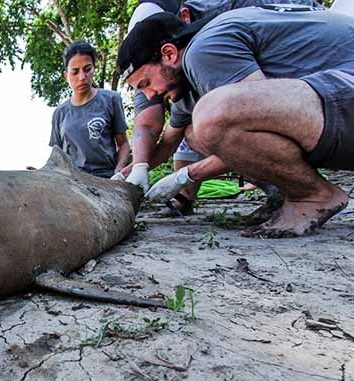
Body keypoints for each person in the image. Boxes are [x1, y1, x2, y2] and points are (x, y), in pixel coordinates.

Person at [117, 6, 354, 237]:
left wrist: (187, 175)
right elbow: (167, 144)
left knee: (211, 119)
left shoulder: (203, 49)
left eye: (145, 83)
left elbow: (252, 116)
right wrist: (131, 173)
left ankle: (312, 195)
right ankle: (290, 193)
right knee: (194, 131)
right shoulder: (187, 87)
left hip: (344, 91)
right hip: (332, 105)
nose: (149, 96)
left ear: (168, 53)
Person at [49, 41, 130, 179]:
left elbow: (123, 144)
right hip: (73, 182)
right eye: (75, 72)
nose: (82, 77)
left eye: (87, 69)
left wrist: (119, 170)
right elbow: (56, 156)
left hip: (106, 178)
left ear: (94, 68)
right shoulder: (59, 113)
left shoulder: (111, 100)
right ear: (66, 75)